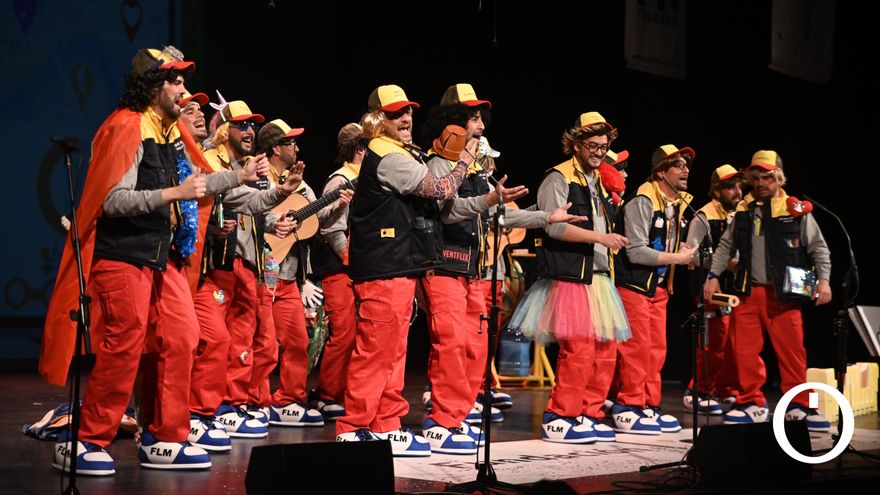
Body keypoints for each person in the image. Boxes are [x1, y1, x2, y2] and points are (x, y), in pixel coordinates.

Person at [43, 46, 266, 474]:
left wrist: (239, 176)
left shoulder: (166, 131)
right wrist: (172, 195)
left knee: (183, 338)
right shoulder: (127, 127)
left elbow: (196, 181)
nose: (183, 89)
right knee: (123, 347)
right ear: (153, 86)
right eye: (175, 81)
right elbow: (111, 201)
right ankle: (89, 438)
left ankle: (164, 436)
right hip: (123, 258)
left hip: (159, 259)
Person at [335, 84, 470, 457]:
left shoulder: (396, 151)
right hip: (384, 265)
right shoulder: (386, 153)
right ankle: (354, 426)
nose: (407, 118)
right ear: (378, 120)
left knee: (392, 351)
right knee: (376, 351)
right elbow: (440, 188)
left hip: (397, 265)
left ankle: (386, 422)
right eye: (396, 114)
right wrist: (463, 163)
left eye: (408, 111)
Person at [509, 112, 629, 444]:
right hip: (571, 274)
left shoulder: (599, 181)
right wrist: (599, 239)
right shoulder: (558, 177)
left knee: (604, 349)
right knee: (578, 350)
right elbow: (554, 226)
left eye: (604, 147)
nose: (599, 153)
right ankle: (559, 415)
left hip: (599, 275)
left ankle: (588, 412)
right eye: (593, 146)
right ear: (576, 144)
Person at [189, 101, 302, 442]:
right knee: (219, 339)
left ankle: (232, 402)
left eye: (253, 126)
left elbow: (252, 208)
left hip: (250, 264)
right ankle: (211, 406)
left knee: (250, 338)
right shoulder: (211, 161)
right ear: (224, 130)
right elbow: (220, 205)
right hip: (218, 266)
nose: (250, 131)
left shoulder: (247, 167)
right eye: (242, 125)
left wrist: (276, 212)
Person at [704, 150, 832, 431]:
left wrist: (823, 280)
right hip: (748, 291)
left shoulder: (795, 209)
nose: (760, 182)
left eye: (767, 176)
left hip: (786, 293)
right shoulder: (744, 209)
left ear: (779, 177)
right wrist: (713, 275)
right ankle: (750, 402)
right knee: (744, 352)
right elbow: (726, 246)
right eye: (756, 177)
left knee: (793, 353)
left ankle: (800, 405)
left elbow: (818, 248)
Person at [612, 144, 699, 435]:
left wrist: (685, 250)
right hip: (634, 285)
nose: (686, 170)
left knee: (656, 351)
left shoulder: (680, 206)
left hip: (658, 288)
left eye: (687, 165)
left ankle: (649, 404)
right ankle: (628, 406)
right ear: (661, 172)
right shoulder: (642, 201)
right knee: (636, 349)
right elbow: (636, 252)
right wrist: (678, 257)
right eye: (678, 165)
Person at [255, 119, 325, 427]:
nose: (296, 148)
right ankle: (253, 400)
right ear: (275, 149)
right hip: (265, 268)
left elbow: (311, 219)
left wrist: (335, 204)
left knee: (298, 340)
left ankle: (289, 399)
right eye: (290, 143)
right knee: (264, 342)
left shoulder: (301, 181)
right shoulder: (258, 177)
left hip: (289, 275)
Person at [307, 122, 364, 421]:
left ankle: (345, 392)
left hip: (359, 268)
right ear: (359, 149)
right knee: (344, 332)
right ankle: (326, 394)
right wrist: (348, 259)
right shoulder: (340, 181)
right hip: (338, 268)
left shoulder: (365, 179)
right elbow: (328, 227)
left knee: (360, 334)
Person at [682, 164, 743, 415]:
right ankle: (698, 391)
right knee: (712, 342)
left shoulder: (740, 214)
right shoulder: (703, 217)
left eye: (739, 185)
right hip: (708, 287)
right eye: (730, 187)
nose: (737, 191)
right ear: (716, 191)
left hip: (735, 288)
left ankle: (723, 389)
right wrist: (724, 265)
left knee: (733, 344)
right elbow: (690, 256)